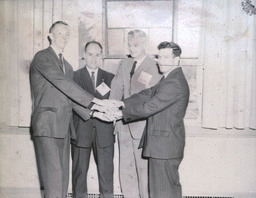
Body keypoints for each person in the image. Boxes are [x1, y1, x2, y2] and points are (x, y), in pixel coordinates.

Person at [30, 21, 121, 198]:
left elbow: (70, 99)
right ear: (50, 35)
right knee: (54, 181)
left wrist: (95, 112)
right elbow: (63, 84)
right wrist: (97, 101)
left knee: (63, 182)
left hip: (64, 128)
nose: (64, 38)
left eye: (67, 34)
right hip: (48, 126)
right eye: (60, 34)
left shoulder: (67, 66)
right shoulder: (42, 57)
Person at [119, 41, 190, 198]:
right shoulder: (168, 78)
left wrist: (121, 113)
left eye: (166, 57)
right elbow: (147, 93)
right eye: (159, 56)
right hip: (163, 146)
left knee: (162, 193)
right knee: (163, 191)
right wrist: (121, 103)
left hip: (164, 147)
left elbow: (149, 107)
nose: (161, 60)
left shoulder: (174, 81)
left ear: (177, 59)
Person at [109, 29, 162, 198]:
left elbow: (153, 98)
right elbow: (116, 91)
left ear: (145, 44)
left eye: (136, 45)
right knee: (125, 169)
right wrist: (112, 114)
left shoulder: (154, 66)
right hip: (122, 125)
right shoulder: (123, 64)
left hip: (143, 127)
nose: (132, 48)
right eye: (130, 45)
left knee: (143, 170)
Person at [71, 41, 115, 198]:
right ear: (84, 55)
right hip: (81, 131)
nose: (94, 58)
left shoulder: (110, 78)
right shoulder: (74, 77)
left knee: (106, 175)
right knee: (79, 174)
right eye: (90, 54)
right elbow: (74, 103)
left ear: (102, 56)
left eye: (97, 55)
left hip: (105, 133)